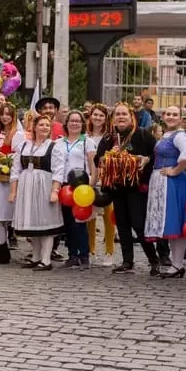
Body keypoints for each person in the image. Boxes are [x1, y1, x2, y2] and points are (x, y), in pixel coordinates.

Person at [95, 102, 159, 275]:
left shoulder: (142, 135)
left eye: (124, 114)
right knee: (122, 225)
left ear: (132, 118)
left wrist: (145, 159)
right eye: (118, 115)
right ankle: (127, 261)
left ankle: (154, 260)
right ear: (114, 119)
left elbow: (157, 154)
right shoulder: (109, 138)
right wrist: (109, 156)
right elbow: (97, 160)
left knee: (139, 225)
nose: (121, 117)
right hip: (117, 188)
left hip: (137, 189)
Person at [9, 114, 65, 271]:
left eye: (47, 125)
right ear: (34, 127)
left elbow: (58, 171)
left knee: (45, 222)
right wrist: (13, 191)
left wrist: (55, 190)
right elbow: (15, 170)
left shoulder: (53, 147)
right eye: (41, 125)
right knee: (32, 222)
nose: (45, 128)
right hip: (27, 187)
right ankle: (35, 256)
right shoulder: (24, 146)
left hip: (44, 186)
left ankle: (46, 260)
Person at [143, 106, 186, 278]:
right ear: (163, 116)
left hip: (174, 182)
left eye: (175, 114)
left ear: (180, 119)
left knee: (176, 220)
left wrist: (175, 171)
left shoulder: (179, 135)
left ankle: (178, 264)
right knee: (171, 223)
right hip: (162, 181)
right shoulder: (166, 135)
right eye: (168, 114)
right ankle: (176, 263)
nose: (171, 117)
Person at [60, 110, 97, 269]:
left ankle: (84, 255)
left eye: (77, 121)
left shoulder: (86, 141)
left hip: (81, 186)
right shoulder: (60, 142)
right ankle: (72, 254)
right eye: (71, 120)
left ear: (82, 124)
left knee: (80, 222)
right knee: (68, 222)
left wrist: (92, 184)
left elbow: (93, 164)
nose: (74, 123)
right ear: (66, 123)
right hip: (64, 186)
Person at [0, 103, 21, 264]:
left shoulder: (17, 134)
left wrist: (5, 159)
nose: (5, 117)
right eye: (2, 114)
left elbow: (18, 157)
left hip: (9, 179)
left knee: (8, 213)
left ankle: (9, 243)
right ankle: (3, 248)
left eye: (8, 114)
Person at [85, 103, 115, 266]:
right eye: (95, 115)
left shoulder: (110, 137)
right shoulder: (85, 135)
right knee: (90, 215)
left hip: (106, 179)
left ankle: (109, 250)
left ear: (106, 118)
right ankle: (91, 249)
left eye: (101, 116)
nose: (97, 118)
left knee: (109, 215)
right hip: (89, 178)